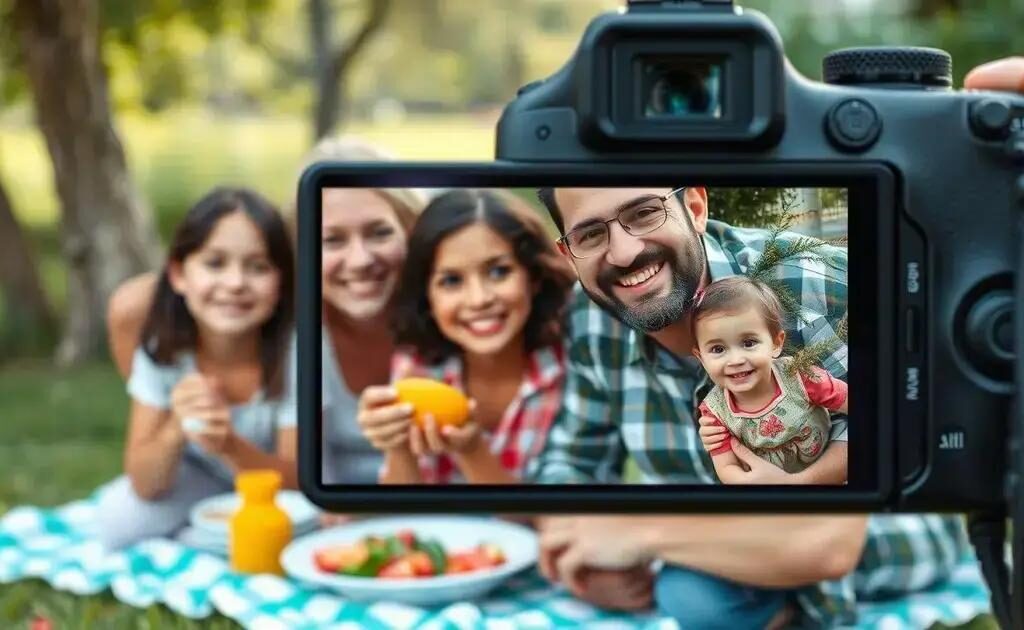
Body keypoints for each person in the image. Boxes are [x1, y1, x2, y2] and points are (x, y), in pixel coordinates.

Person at [530, 185, 965, 628]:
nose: (623, 253)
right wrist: (582, 558)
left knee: (699, 590)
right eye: (590, 235)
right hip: (710, 561)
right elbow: (570, 463)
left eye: (644, 214)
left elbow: (873, 463)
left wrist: (645, 535)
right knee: (690, 597)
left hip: (882, 526)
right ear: (569, 254)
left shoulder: (811, 281)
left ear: (695, 208)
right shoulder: (588, 318)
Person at [105, 136, 427, 486]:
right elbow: (131, 305)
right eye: (331, 240)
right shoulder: (293, 312)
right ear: (299, 247)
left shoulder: (457, 306)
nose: (361, 260)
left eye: (380, 233)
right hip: (326, 504)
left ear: (413, 230)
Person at [97, 187, 297, 549]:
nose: (235, 283)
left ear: (281, 284)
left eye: (258, 267)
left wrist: (229, 445)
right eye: (215, 263)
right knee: (116, 522)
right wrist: (177, 424)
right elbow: (145, 481)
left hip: (273, 487)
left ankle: (199, 538)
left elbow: (298, 479)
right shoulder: (165, 351)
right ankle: (204, 537)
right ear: (178, 275)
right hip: (199, 477)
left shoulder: (295, 355)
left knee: (298, 526)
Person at [355, 189, 574, 484]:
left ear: (533, 277)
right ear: (427, 295)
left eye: (499, 271)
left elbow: (550, 514)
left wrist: (472, 451)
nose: (478, 299)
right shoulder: (418, 366)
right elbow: (401, 511)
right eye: (451, 281)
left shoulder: (569, 367)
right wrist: (397, 447)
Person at [691, 276, 849, 483]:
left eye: (748, 343)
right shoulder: (714, 412)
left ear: (776, 343)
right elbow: (727, 466)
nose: (736, 360)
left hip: (830, 475)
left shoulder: (799, 377)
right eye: (718, 349)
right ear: (701, 358)